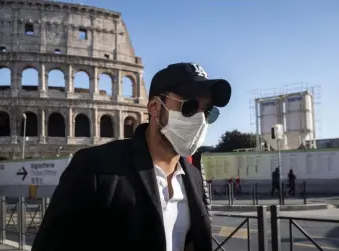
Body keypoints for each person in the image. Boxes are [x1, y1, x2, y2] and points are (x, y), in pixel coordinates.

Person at [32, 62, 232, 251]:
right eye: (189, 107)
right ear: (154, 106)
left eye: (207, 112)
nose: (200, 120)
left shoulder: (194, 176)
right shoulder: (95, 167)